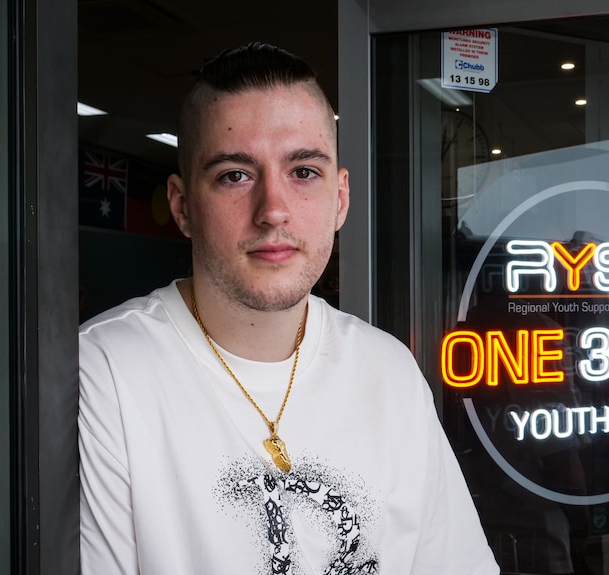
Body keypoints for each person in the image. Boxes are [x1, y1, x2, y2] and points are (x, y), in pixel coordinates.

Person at [78, 42, 499, 575]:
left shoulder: (387, 370)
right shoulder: (103, 374)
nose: (273, 210)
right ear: (183, 207)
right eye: (235, 174)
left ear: (340, 198)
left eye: (303, 171)